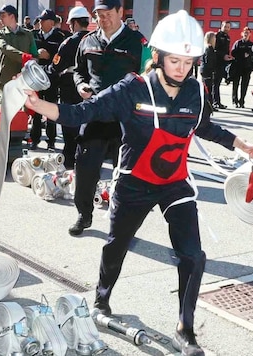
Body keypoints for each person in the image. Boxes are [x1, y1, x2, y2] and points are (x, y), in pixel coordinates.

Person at [23, 10, 253, 355]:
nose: (181, 68)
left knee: (193, 256)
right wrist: (39, 105)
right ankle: (102, 299)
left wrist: (242, 145)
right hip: (134, 182)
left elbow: (204, 126)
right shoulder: (132, 88)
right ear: (159, 57)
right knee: (116, 245)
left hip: (175, 183)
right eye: (174, 60)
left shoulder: (195, 90)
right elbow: (83, 112)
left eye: (188, 61)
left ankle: (185, 329)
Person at [68, 0, 145, 236]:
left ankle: (123, 220)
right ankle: (84, 214)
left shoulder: (137, 42)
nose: (103, 19)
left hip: (125, 118)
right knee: (85, 167)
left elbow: (148, 73)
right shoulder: (88, 40)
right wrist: (81, 85)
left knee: (125, 172)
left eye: (108, 13)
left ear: (121, 12)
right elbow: (78, 70)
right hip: (94, 115)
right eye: (99, 14)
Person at [43, 6, 91, 168]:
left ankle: (70, 160)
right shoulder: (96, 39)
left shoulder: (69, 42)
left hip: (71, 86)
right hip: (92, 87)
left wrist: (42, 72)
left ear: (75, 23)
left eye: (71, 23)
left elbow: (56, 66)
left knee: (70, 124)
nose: (69, 26)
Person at [31, 9, 65, 150]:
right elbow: (29, 52)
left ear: (51, 22)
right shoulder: (34, 35)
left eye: (43, 20)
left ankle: (51, 141)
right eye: (39, 20)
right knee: (36, 109)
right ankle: (35, 139)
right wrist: (36, 55)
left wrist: (49, 55)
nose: (40, 22)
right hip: (37, 77)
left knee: (50, 109)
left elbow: (61, 56)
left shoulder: (60, 37)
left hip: (51, 78)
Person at [0, 5, 38, 92]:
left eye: (3, 16)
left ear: (12, 16)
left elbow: (35, 55)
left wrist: (33, 60)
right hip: (6, 80)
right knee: (6, 105)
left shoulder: (28, 34)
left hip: (25, 80)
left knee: (25, 105)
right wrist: (25, 57)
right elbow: (4, 47)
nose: (0, 19)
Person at [230, 27, 253, 108]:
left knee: (244, 85)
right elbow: (233, 53)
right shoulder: (238, 43)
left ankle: (242, 101)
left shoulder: (251, 45)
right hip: (238, 66)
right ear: (242, 34)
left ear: (250, 34)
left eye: (247, 32)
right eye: (244, 32)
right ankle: (235, 100)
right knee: (236, 84)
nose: (246, 34)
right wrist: (242, 55)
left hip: (247, 68)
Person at [213, 21, 232, 109]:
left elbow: (226, 50)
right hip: (216, 63)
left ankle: (218, 102)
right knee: (215, 83)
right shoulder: (216, 36)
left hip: (223, 64)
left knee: (218, 83)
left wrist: (227, 57)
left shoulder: (227, 37)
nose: (227, 28)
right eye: (225, 27)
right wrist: (222, 55)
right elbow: (214, 50)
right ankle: (215, 102)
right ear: (221, 26)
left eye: (228, 27)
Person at [200, 32, 217, 107]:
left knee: (206, 87)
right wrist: (213, 69)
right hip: (207, 71)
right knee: (208, 88)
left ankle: (208, 104)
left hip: (204, 69)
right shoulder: (209, 48)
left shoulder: (204, 47)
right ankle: (208, 105)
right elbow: (209, 61)